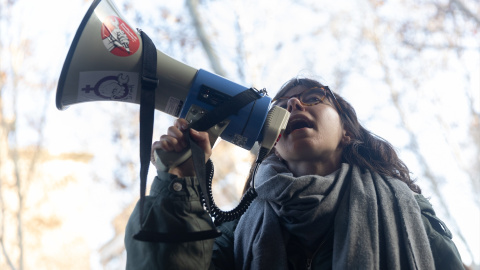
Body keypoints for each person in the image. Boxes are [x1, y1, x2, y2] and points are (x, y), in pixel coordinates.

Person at [125, 77, 465, 269]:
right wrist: (180, 185)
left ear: (346, 132)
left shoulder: (403, 206)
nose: (294, 105)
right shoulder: (239, 227)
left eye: (314, 98)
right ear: (272, 141)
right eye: (282, 105)